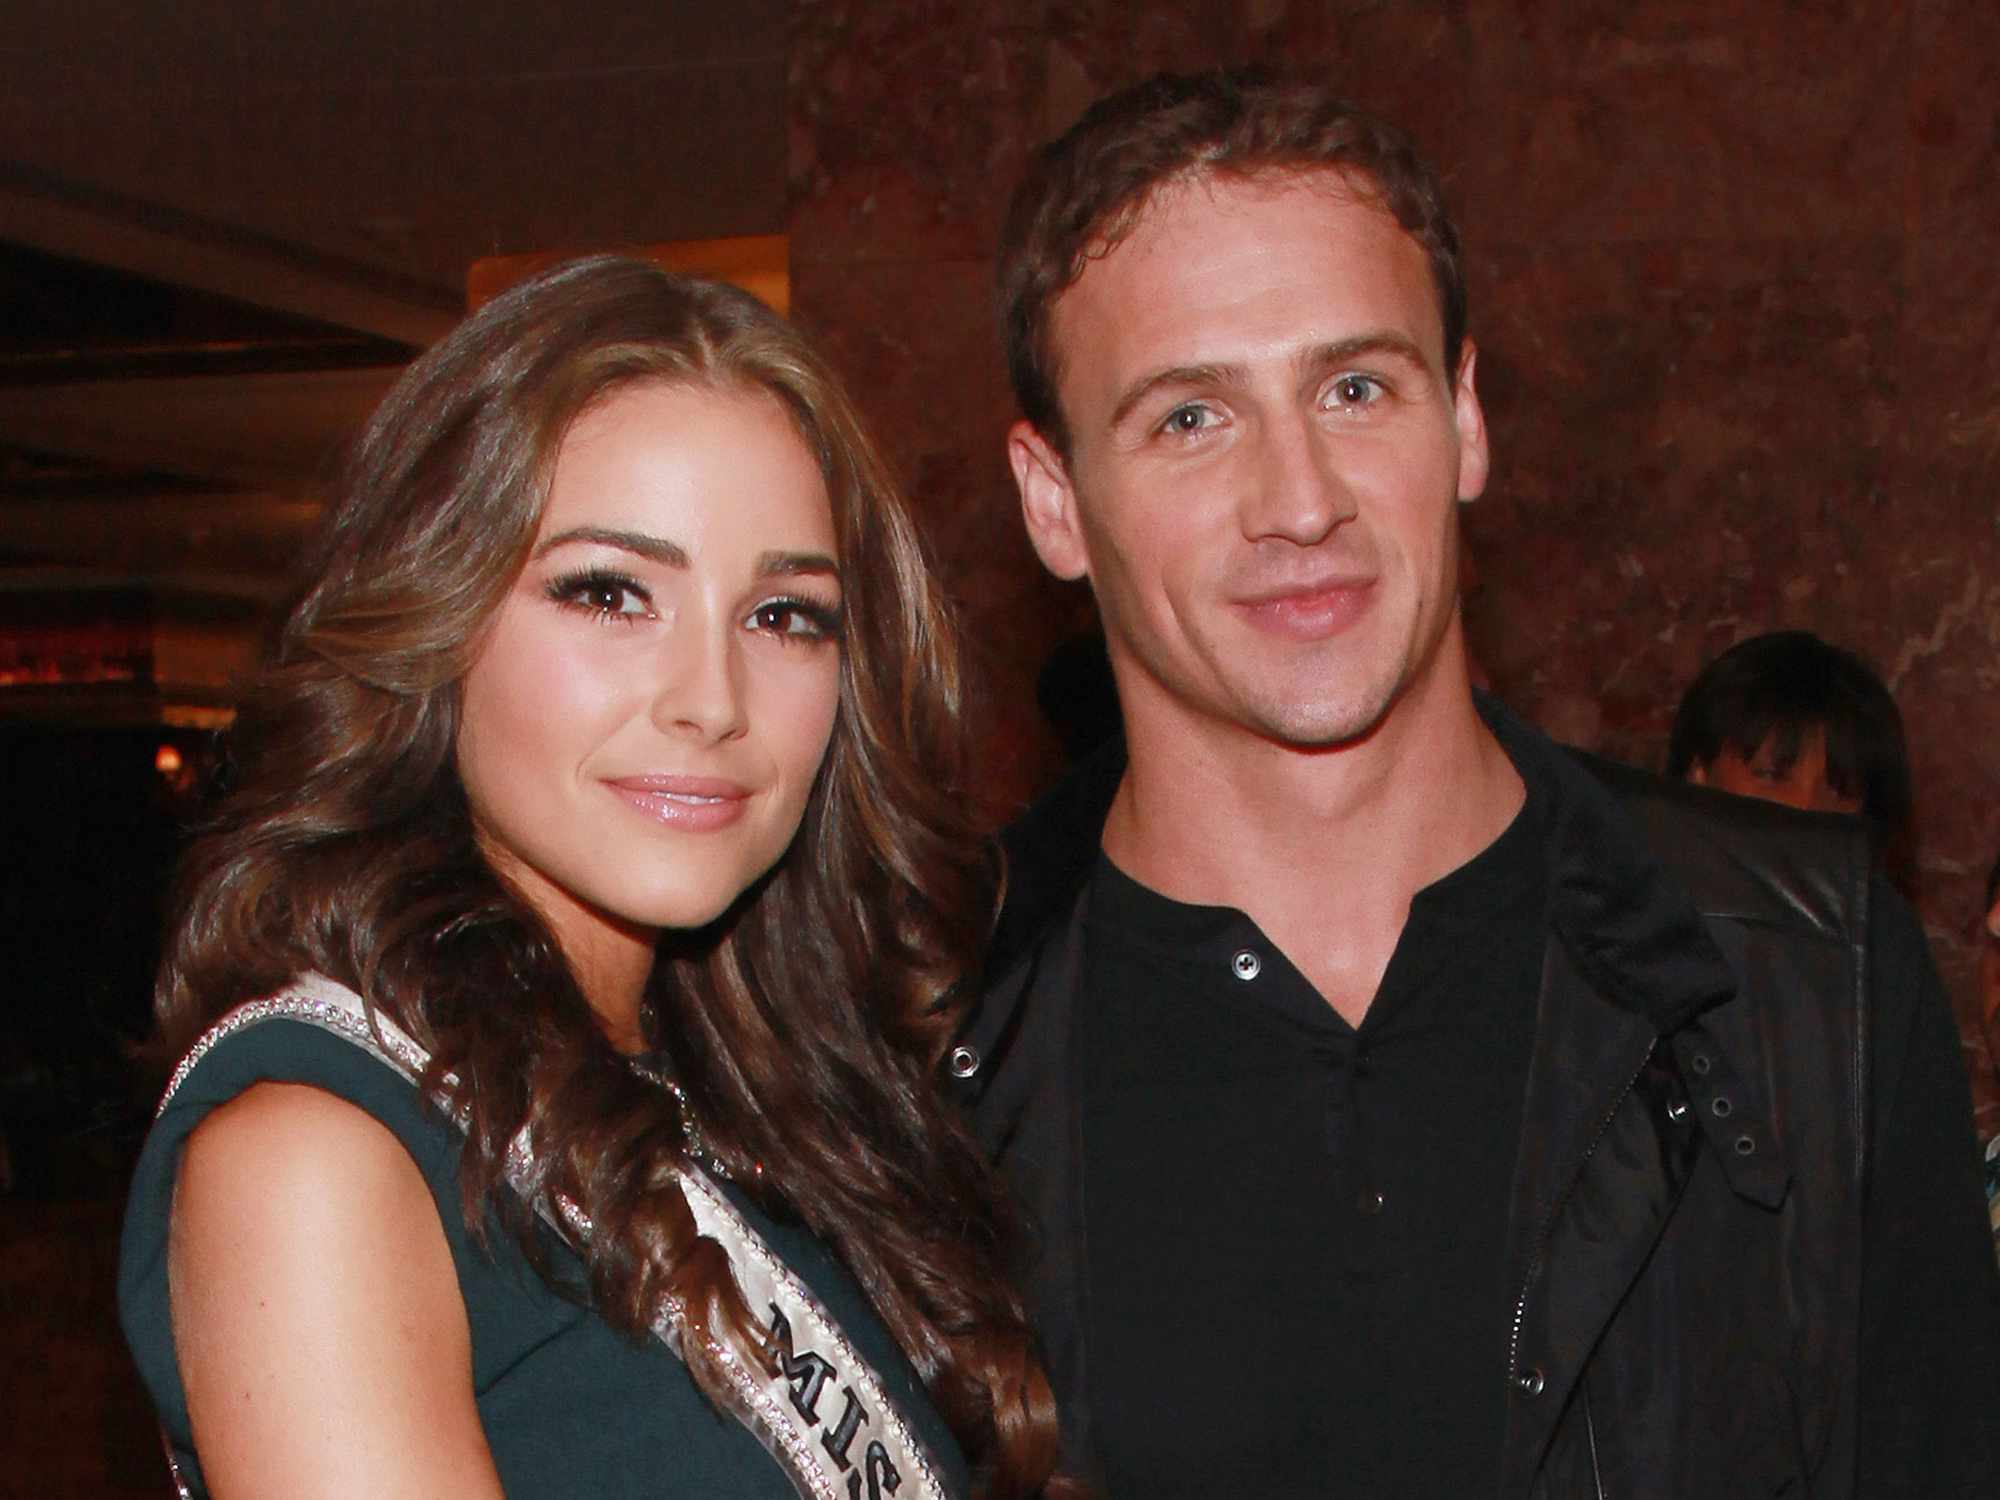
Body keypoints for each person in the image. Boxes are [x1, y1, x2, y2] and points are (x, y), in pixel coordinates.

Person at [951, 68, 2000, 1498]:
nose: (1301, 498)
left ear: (1465, 420)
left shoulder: (1806, 980)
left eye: (1356, 387)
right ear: (1054, 499)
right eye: (1191, 419)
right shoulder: (915, 1049)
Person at [117, 257, 1069, 1500]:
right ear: (434, 618)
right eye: (610, 594)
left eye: (784, 615)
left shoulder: (749, 1099)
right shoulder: (319, 1156)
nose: (712, 702)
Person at [1666, 629, 1916, 886]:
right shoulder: (1635, 910)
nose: (1804, 807)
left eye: (1840, 792)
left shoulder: (1882, 921)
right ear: (1698, 775)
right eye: (1773, 776)